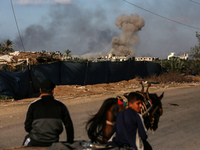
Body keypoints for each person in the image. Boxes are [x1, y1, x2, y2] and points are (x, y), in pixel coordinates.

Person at [22, 79, 74, 147]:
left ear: (40, 90)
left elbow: (27, 127)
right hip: (53, 141)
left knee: (26, 141)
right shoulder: (61, 106)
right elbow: (69, 126)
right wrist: (69, 142)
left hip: (36, 141)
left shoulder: (33, 105)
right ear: (52, 91)